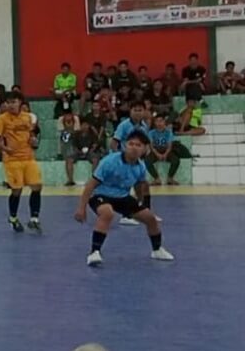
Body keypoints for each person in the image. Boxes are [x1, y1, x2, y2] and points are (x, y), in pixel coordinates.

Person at [75, 130, 175, 267]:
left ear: (145, 149)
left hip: (122, 196)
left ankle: (157, 250)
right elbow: (91, 184)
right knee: (107, 213)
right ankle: (94, 252)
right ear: (124, 145)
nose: (134, 147)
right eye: (131, 144)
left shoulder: (140, 166)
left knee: (150, 218)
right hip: (100, 195)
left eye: (138, 145)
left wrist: (140, 203)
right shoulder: (109, 162)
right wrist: (81, 208)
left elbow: (140, 185)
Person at [0, 92, 43, 232]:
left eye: (14, 102)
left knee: (37, 186)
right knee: (17, 190)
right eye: (8, 102)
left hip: (29, 157)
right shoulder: (1, 120)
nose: (11, 105)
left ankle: (34, 218)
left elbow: (32, 136)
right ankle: (13, 218)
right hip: (12, 160)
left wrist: (34, 142)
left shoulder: (27, 118)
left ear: (20, 102)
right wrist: (5, 148)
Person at [145, 114, 187, 186]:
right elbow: (151, 146)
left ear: (164, 122)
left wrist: (165, 154)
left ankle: (170, 178)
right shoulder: (151, 133)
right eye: (157, 121)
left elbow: (169, 146)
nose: (159, 123)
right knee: (147, 161)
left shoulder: (169, 133)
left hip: (166, 151)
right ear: (154, 123)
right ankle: (156, 178)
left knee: (176, 160)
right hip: (155, 151)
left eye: (161, 121)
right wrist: (157, 154)